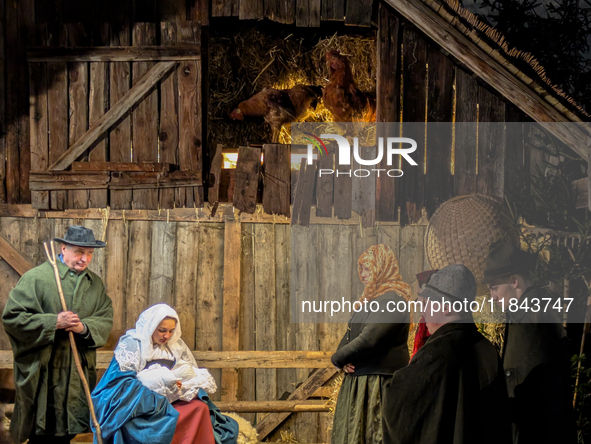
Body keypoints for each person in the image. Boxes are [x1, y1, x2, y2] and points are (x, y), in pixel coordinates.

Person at [2, 225, 113, 444]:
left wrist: (83, 328)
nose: (85, 259)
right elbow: (13, 318)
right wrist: (53, 321)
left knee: (70, 429)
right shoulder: (37, 279)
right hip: (44, 372)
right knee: (42, 430)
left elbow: (104, 318)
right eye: (79, 252)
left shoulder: (95, 284)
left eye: (90, 253)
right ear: (63, 248)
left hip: (77, 371)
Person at [382, 264, 512, 444]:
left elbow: (398, 405)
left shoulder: (438, 352)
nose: (423, 312)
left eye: (427, 303)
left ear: (446, 307)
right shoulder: (486, 347)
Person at [91, 303, 239, 444]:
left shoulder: (175, 347)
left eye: (171, 331)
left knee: (200, 408)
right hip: (140, 404)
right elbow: (119, 383)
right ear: (151, 326)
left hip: (172, 397)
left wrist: (185, 386)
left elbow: (186, 372)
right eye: (162, 330)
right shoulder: (132, 344)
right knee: (167, 417)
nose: (167, 335)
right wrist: (156, 396)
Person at [483, 241, 577, 444]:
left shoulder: (533, 319)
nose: (492, 297)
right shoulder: (522, 314)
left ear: (514, 281)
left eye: (495, 288)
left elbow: (535, 393)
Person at [330, 244, 411, 444]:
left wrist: (336, 359)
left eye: (368, 269)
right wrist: (342, 359)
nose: (363, 275)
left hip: (376, 387)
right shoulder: (372, 301)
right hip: (360, 385)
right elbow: (349, 337)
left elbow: (369, 339)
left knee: (374, 436)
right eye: (361, 269)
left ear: (383, 267)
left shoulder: (393, 300)